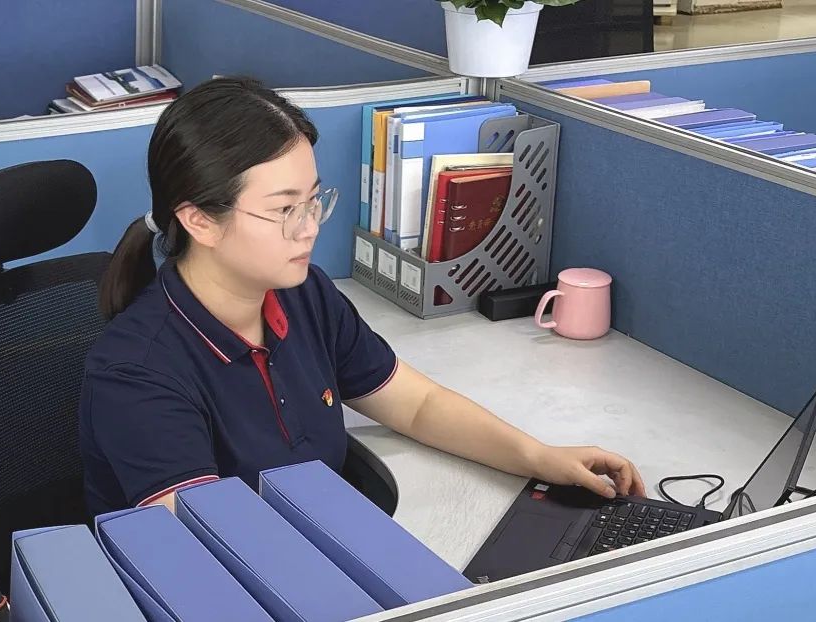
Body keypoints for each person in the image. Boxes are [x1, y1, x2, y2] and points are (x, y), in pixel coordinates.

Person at [78, 76, 646, 517]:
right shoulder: (136, 371)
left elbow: (417, 405)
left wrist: (539, 457)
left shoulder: (303, 296)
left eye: (313, 199)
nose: (309, 228)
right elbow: (208, 547)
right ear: (199, 220)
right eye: (284, 209)